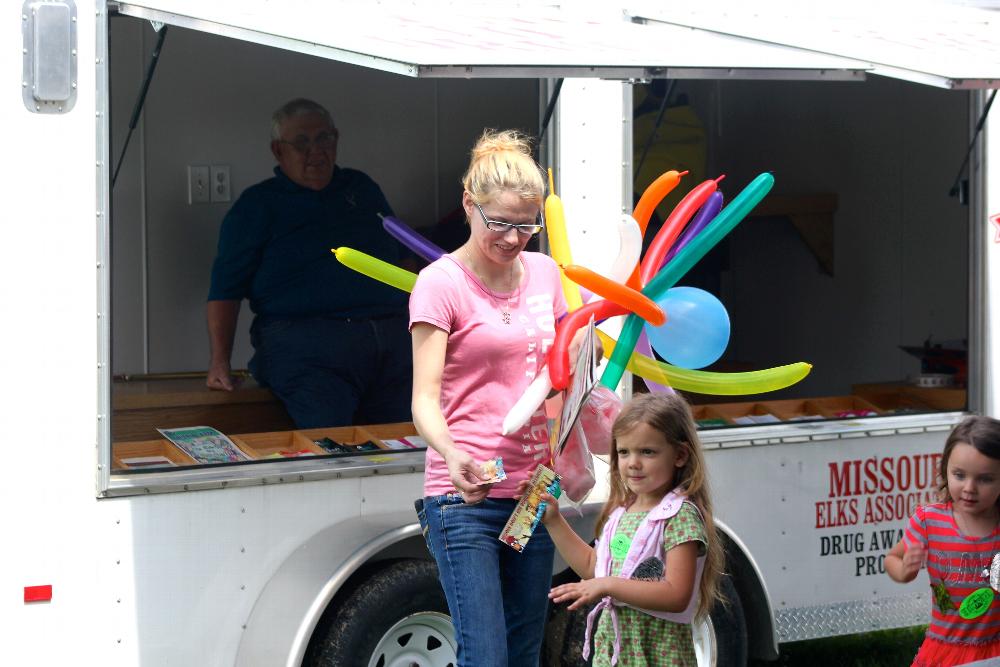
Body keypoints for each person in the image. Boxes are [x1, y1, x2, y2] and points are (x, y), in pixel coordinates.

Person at [409, 128, 580, 666]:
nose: (512, 237)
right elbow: (423, 400)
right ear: (468, 204)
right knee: (486, 656)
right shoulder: (441, 283)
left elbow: (563, 375)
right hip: (464, 499)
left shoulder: (548, 275)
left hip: (532, 495)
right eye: (499, 223)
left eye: (526, 225)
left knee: (524, 652)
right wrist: (454, 454)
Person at [206, 98, 412, 428]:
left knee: (403, 446)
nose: (315, 150)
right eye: (301, 142)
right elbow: (224, 289)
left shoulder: (361, 188)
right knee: (331, 447)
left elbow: (403, 258)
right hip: (307, 346)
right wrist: (219, 362)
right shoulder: (258, 205)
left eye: (324, 139)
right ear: (278, 150)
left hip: (389, 340)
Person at [527, 391, 723, 667]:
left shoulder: (679, 516)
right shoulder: (620, 514)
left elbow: (677, 595)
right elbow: (594, 567)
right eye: (624, 452)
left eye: (647, 452)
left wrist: (608, 586)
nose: (633, 463)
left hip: (657, 653)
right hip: (616, 655)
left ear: (679, 455)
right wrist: (554, 521)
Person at [886, 415, 1000, 666]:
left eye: (985, 479)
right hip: (946, 648)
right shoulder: (929, 521)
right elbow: (892, 558)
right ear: (945, 470)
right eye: (960, 475)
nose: (970, 487)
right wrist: (905, 571)